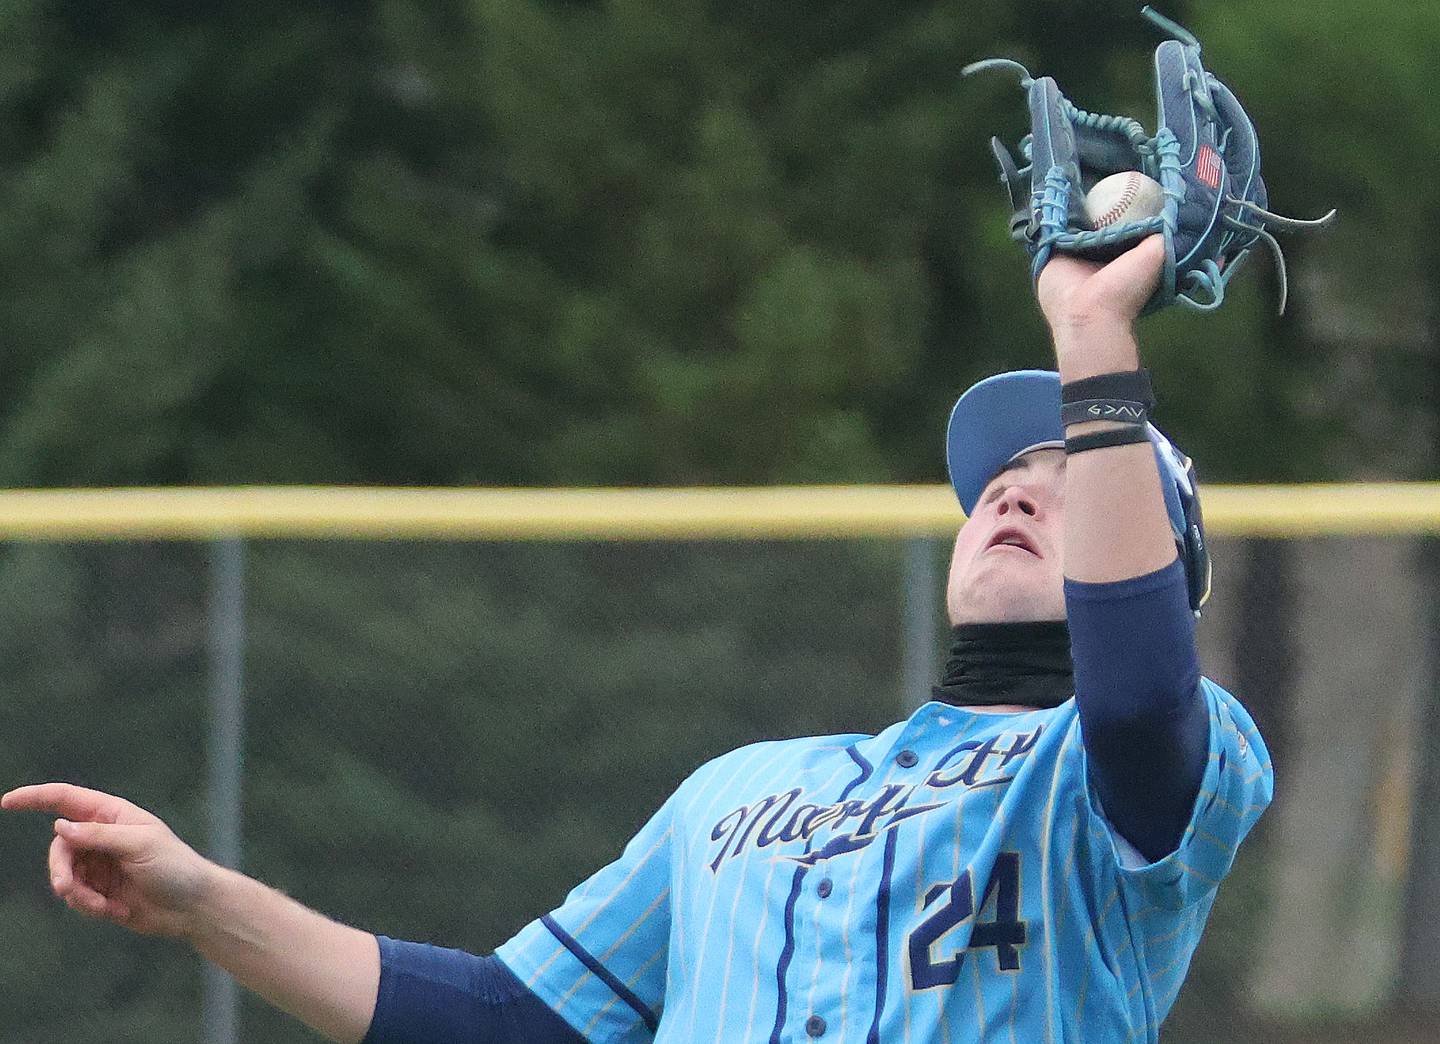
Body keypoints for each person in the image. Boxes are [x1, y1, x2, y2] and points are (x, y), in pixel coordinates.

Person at [3, 235, 1272, 1042]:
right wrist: (201, 901)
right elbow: (508, 1021)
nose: (1014, 494)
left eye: (1070, 477)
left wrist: (1094, 342)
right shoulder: (741, 791)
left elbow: (1136, 699)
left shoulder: (1138, 778)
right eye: (999, 480)